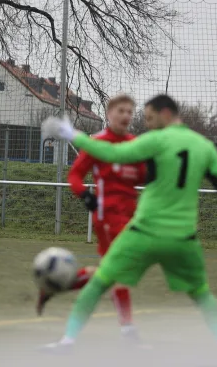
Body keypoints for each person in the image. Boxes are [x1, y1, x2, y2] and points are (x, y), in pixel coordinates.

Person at [39, 93, 217, 353]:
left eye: (147, 117)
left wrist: (73, 134)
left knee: (102, 279)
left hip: (142, 230)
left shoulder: (152, 140)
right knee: (201, 292)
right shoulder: (204, 146)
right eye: (125, 112)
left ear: (165, 114)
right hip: (181, 237)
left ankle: (68, 341)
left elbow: (110, 153)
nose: (144, 123)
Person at [36, 94, 146, 342]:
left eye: (130, 111)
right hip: (107, 217)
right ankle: (127, 328)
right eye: (121, 111)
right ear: (109, 114)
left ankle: (59, 285)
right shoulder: (97, 143)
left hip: (130, 218)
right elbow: (75, 176)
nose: (126, 116)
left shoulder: (135, 145)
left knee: (110, 272)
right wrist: (85, 195)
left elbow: (142, 176)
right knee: (119, 270)